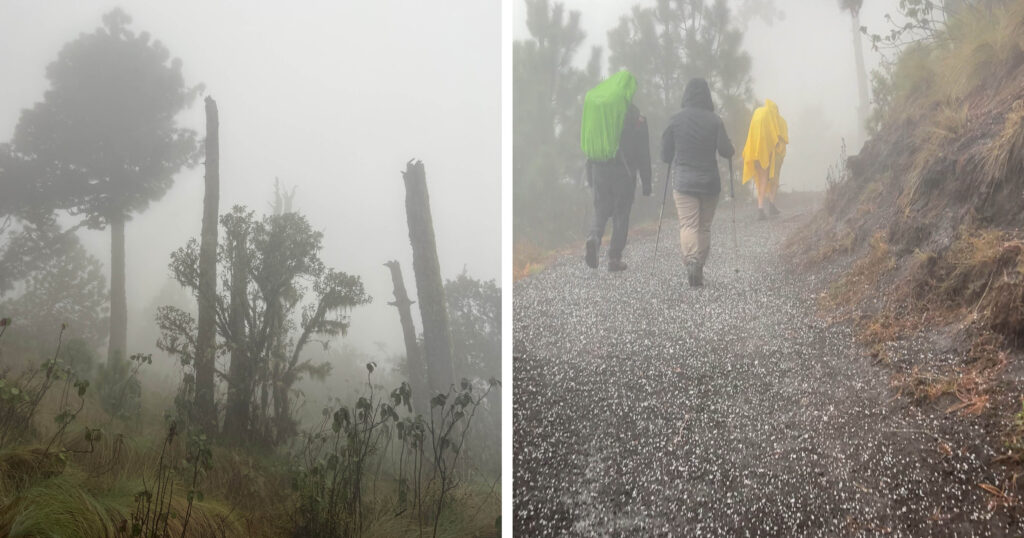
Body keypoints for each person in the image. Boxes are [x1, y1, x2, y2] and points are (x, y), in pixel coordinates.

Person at [661, 78, 734, 287]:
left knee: (688, 224)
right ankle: (699, 266)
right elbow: (725, 150)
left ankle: (691, 261)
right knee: (704, 226)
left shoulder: (675, 120)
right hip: (710, 182)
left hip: (684, 182)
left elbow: (665, 155)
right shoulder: (715, 120)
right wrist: (732, 148)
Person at [582, 72, 652, 272]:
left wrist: (590, 174)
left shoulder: (600, 112)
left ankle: (594, 238)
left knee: (601, 208)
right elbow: (642, 152)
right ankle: (614, 258)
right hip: (624, 171)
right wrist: (646, 182)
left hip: (598, 168)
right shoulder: (634, 115)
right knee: (622, 213)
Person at [741, 99, 788, 219]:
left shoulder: (758, 115)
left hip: (754, 151)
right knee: (768, 179)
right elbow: (779, 139)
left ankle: (765, 207)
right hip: (766, 153)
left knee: (761, 179)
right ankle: (762, 209)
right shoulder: (775, 120)